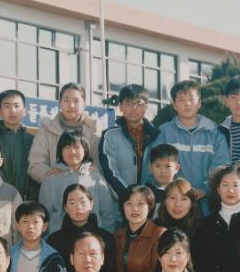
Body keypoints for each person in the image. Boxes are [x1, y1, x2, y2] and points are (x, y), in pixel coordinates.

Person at [143, 79, 230, 214]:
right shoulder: (164, 132)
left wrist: (204, 189)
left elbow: (222, 166)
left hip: (207, 206)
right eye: (181, 100)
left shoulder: (214, 133)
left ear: (199, 103)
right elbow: (152, 166)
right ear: (174, 105)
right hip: (173, 205)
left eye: (191, 99)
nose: (187, 103)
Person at [38, 130, 118, 233]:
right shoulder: (50, 181)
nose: (72, 152)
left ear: (85, 150)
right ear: (60, 151)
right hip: (60, 239)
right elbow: (43, 217)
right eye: (67, 147)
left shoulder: (96, 179)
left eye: (76, 147)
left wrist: (104, 238)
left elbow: (108, 215)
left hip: (93, 238)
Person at [28, 82, 100, 184]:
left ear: (84, 104)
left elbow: (100, 163)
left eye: (76, 101)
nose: (71, 105)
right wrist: (50, 173)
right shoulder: (46, 130)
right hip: (55, 187)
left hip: (87, 188)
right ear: (60, 103)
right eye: (66, 100)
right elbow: (35, 165)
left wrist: (94, 170)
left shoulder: (94, 131)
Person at [98, 84, 160, 201]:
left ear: (146, 106)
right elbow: (109, 171)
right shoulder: (109, 136)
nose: (134, 108)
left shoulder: (157, 136)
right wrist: (129, 198)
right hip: (120, 202)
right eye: (128, 104)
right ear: (120, 107)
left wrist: (147, 199)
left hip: (151, 202)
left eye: (139, 104)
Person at [47, 184, 116, 272]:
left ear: (91, 205)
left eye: (82, 202)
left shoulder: (106, 238)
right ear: (65, 208)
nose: (78, 207)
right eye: (72, 203)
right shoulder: (54, 240)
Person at [112, 185, 165, 272]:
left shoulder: (159, 234)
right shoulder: (117, 236)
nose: (134, 209)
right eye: (129, 203)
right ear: (122, 207)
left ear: (150, 207)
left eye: (140, 204)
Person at [0, 89, 38, 201]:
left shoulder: (33, 140)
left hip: (29, 201)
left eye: (16, 106)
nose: (12, 110)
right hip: (0, 199)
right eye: (7, 106)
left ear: (24, 111)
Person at [144, 144, 181, 212]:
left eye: (167, 166)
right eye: (158, 166)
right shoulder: (145, 193)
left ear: (176, 168)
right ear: (151, 168)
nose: (163, 171)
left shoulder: (183, 191)